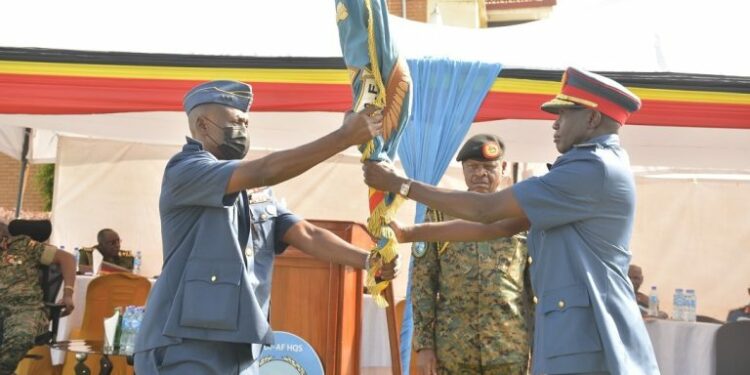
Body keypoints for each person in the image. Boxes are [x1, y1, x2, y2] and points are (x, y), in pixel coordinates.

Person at [364, 67, 659, 374]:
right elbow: (499, 227)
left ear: (593, 118)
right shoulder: (587, 168)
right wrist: (409, 232)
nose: (555, 124)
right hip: (571, 335)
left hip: (587, 335)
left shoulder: (591, 169)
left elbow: (487, 210)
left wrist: (401, 184)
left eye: (564, 114)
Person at [134, 80, 398, 375]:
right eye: (235, 122)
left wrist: (367, 260)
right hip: (185, 345)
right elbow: (265, 170)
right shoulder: (185, 170)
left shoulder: (253, 191)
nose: (243, 130)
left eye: (246, 123)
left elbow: (306, 234)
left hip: (240, 350)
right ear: (202, 125)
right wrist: (343, 138)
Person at [391, 134, 533, 374]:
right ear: (463, 169)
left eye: (489, 167)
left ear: (504, 167)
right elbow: (424, 282)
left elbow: (533, 285)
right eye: (473, 167)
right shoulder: (439, 214)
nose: (480, 173)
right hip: (454, 349)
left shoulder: (520, 214)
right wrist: (424, 346)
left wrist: (538, 345)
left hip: (509, 346)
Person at [0, 219, 76, 374]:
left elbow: (67, 258)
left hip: (24, 310)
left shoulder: (25, 246)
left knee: (20, 337)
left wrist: (68, 294)